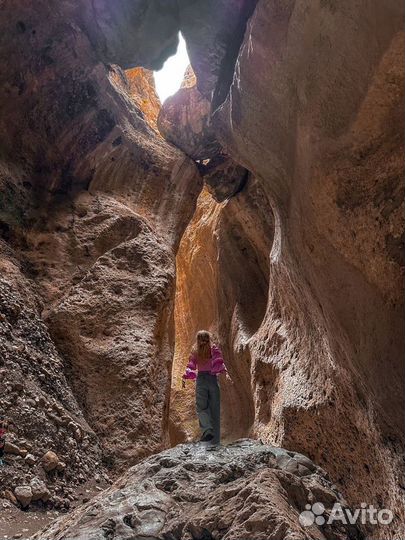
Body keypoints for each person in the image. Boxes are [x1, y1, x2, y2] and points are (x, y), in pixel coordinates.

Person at [182, 330, 231, 448]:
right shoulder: (214, 350)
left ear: (197, 340)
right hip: (213, 380)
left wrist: (185, 377)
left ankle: (207, 431)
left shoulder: (195, 351)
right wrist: (225, 373)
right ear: (209, 338)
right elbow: (220, 363)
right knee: (215, 410)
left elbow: (191, 367)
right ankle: (216, 442)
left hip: (202, 380)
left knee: (202, 408)